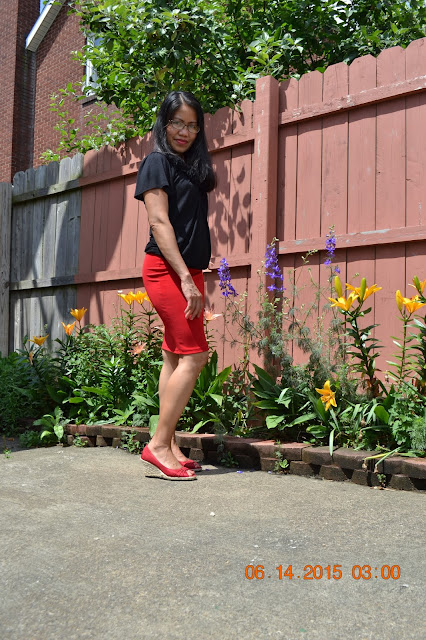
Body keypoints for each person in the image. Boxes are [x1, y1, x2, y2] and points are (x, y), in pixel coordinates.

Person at [134, 90, 216, 481]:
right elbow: (159, 223)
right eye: (177, 122)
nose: (184, 131)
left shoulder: (190, 168)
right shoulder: (157, 163)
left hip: (189, 272)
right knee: (195, 356)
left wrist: (193, 275)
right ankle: (157, 445)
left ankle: (166, 443)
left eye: (192, 125)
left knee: (173, 355)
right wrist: (185, 278)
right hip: (167, 271)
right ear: (164, 124)